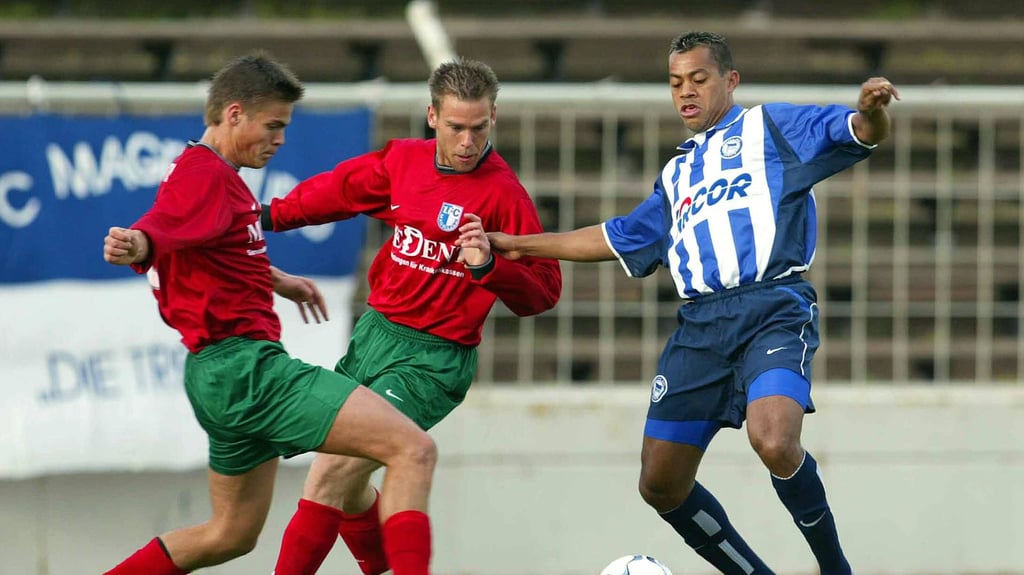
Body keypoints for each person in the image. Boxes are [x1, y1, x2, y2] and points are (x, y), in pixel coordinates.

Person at [487, 31, 898, 575]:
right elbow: (616, 237)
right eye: (676, 82)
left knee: (774, 440)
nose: (686, 91)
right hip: (700, 328)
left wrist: (872, 112)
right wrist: (519, 244)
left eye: (699, 79)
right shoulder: (677, 173)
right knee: (660, 482)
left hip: (771, 307)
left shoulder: (770, 127)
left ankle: (835, 569)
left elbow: (861, 133)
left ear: (730, 80)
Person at [100, 51, 438, 575]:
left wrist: (277, 280)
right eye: (273, 125)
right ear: (234, 114)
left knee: (229, 534)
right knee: (412, 448)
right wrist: (136, 243)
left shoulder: (214, 176)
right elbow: (158, 230)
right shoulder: (204, 174)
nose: (280, 139)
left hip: (215, 376)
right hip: (249, 370)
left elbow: (206, 247)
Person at [261, 57, 562, 575]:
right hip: (375, 336)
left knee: (333, 469)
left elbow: (543, 293)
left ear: (494, 118)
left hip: (433, 360)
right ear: (431, 116)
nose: (467, 142)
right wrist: (270, 216)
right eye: (456, 128)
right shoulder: (404, 163)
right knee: (351, 483)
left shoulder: (505, 196)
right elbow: (342, 189)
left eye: (479, 128)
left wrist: (489, 267)